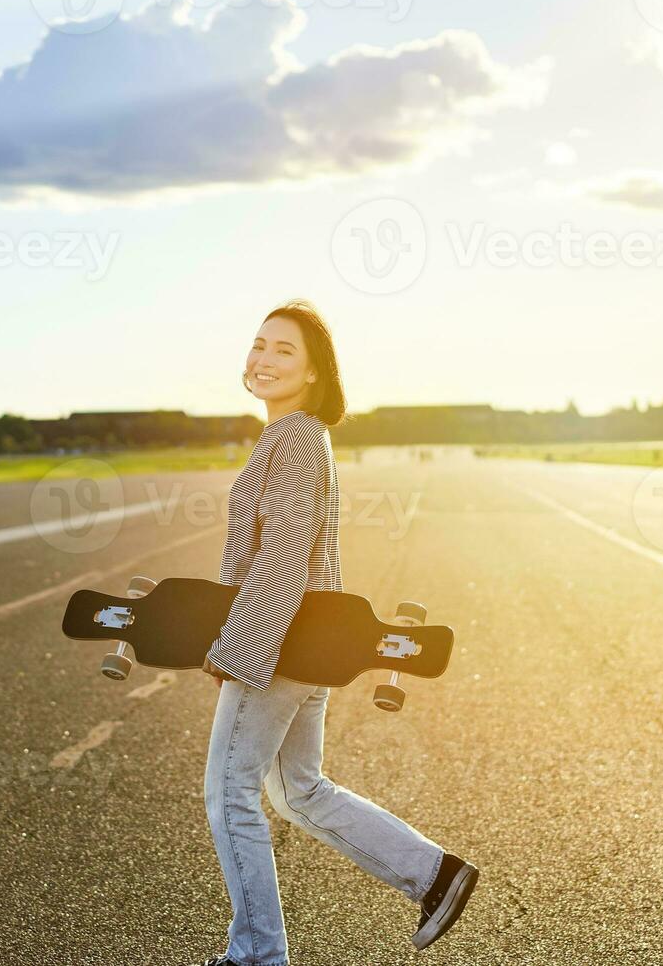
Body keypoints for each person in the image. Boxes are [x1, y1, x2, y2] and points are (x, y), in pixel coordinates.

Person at [198, 300, 477, 966]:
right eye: (259, 344)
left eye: (284, 351)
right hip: (307, 643)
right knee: (298, 789)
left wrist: (236, 652)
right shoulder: (296, 436)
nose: (263, 358)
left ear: (316, 374)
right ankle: (434, 875)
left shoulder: (294, 436)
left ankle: (255, 958)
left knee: (228, 791)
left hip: (278, 644)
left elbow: (284, 556)